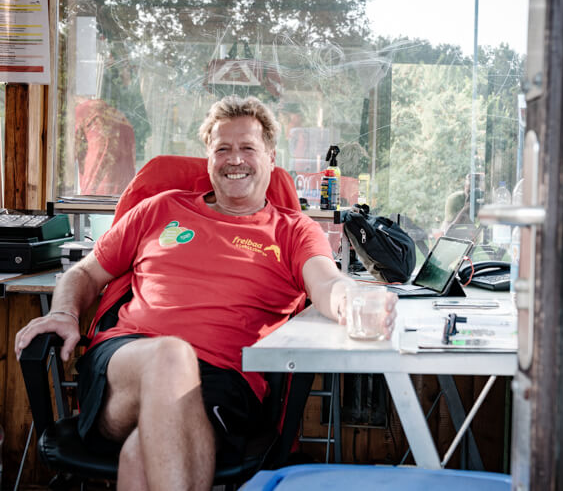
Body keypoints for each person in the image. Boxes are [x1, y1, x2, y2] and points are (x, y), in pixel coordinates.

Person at [14, 95, 397, 490]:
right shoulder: (159, 209)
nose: (235, 159)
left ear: (271, 157)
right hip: (127, 362)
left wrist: (352, 301)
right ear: (208, 158)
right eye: (222, 149)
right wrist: (63, 313)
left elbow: (328, 283)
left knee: (140, 456)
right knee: (170, 355)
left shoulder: (293, 230)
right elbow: (85, 272)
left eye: (248, 148)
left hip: (225, 383)